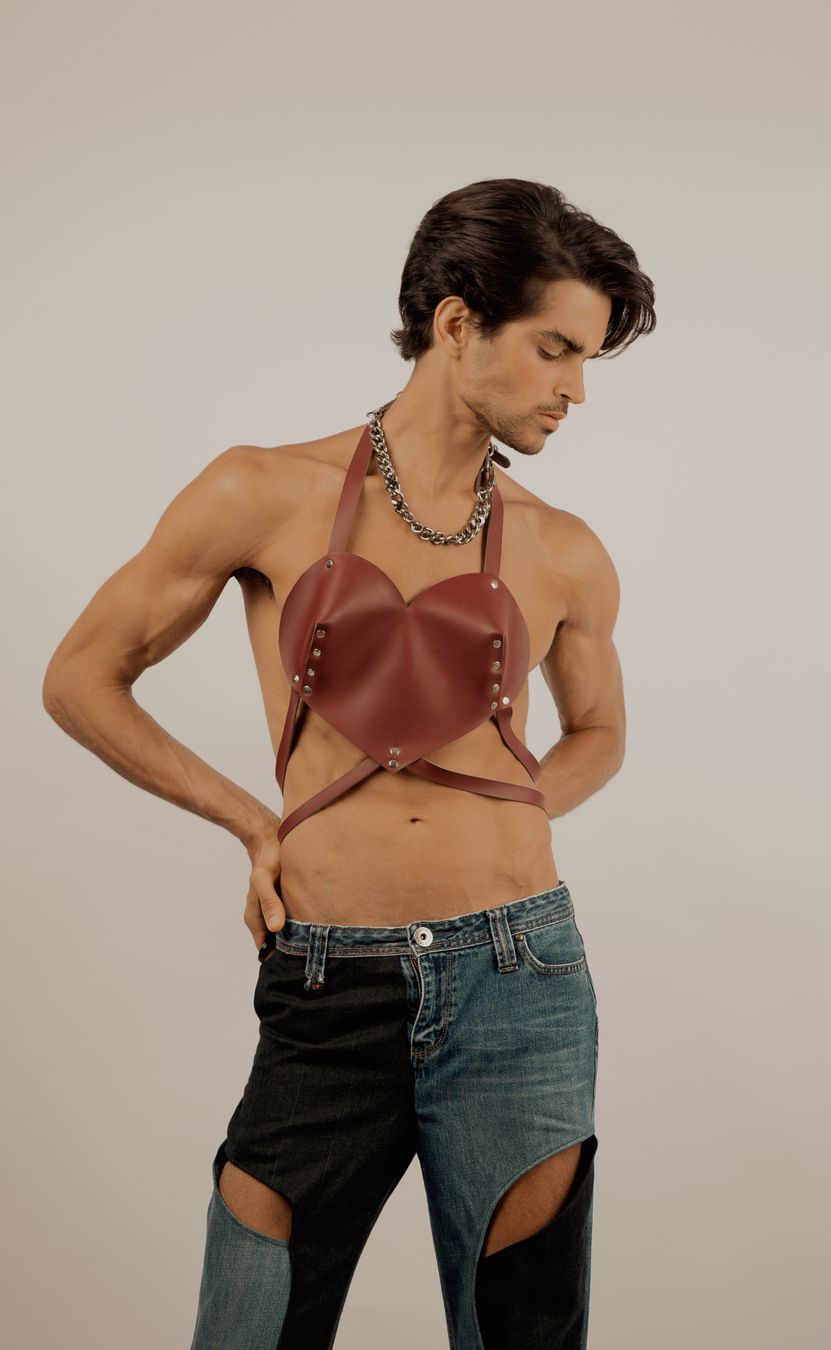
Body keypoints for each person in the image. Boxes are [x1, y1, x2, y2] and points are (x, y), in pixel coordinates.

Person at [42, 177, 655, 1349]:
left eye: (589, 360)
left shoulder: (564, 549)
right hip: (327, 982)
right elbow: (81, 678)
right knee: (248, 1322)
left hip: (522, 981)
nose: (577, 389)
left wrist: (509, 816)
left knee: (520, 1330)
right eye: (557, 349)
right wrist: (253, 822)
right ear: (458, 323)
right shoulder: (261, 490)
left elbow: (600, 734)